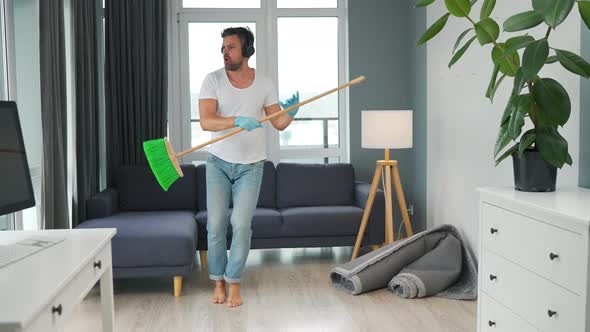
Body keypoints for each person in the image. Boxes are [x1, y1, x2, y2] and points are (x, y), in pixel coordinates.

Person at [198, 26, 299, 308]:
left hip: (252, 166)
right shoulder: (213, 80)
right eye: (223, 48)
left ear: (246, 50)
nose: (224, 52)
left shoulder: (264, 82)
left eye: (230, 47)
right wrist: (237, 120)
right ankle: (217, 279)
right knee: (216, 225)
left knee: (241, 224)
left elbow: (277, 123)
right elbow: (207, 121)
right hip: (218, 163)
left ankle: (234, 282)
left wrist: (289, 113)